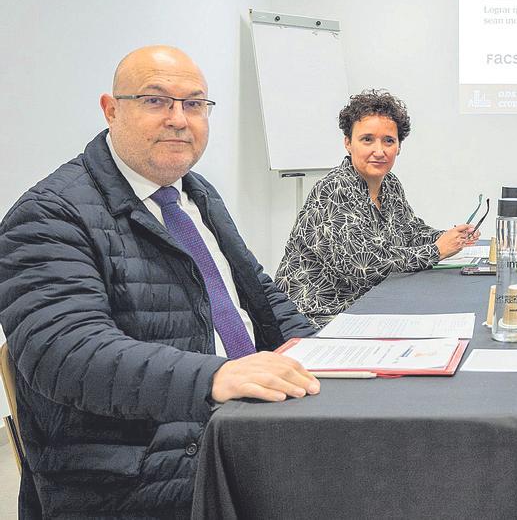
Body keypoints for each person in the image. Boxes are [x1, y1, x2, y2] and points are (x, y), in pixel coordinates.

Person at [0, 46, 320, 518]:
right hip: (132, 471)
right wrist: (216, 376)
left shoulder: (195, 191)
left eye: (194, 104)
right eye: (155, 101)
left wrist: (322, 349)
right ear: (111, 110)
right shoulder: (49, 214)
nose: (178, 119)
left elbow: (255, 291)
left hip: (229, 419)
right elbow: (66, 354)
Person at [275, 90, 478, 326]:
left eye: (389, 141)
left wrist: (450, 237)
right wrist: (437, 250)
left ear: (399, 147)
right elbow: (365, 266)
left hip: (364, 308)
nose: (379, 151)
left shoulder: (389, 183)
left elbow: (410, 231)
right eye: (367, 139)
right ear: (348, 143)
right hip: (316, 318)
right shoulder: (334, 190)